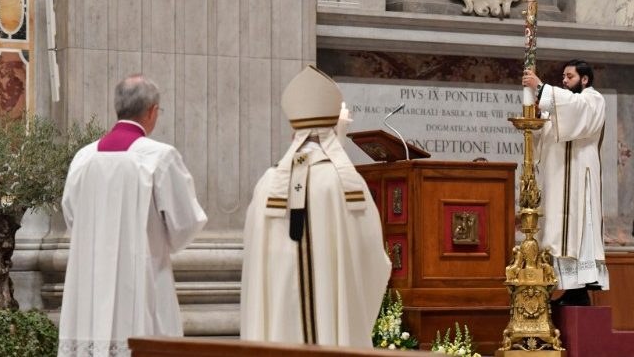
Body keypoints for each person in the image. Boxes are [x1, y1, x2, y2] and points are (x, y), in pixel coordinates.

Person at [241, 65, 391, 347]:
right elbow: (373, 256)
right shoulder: (345, 184)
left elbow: (253, 263)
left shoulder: (268, 184)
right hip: (333, 332)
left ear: (293, 131)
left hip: (277, 332)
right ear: (333, 129)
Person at [58, 74, 208, 356]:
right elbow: (185, 222)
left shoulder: (84, 158)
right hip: (143, 276)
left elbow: (72, 216)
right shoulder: (160, 157)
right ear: (152, 111)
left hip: (89, 279)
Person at [521, 59, 608, 306]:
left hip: (580, 178)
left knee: (579, 229)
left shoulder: (593, 99)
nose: (564, 81)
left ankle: (579, 291)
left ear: (585, 79)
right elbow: (543, 138)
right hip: (558, 178)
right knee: (556, 231)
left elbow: (576, 112)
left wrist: (541, 88)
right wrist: (536, 120)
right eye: (563, 77)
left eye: (569, 76)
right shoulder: (559, 105)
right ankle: (566, 287)